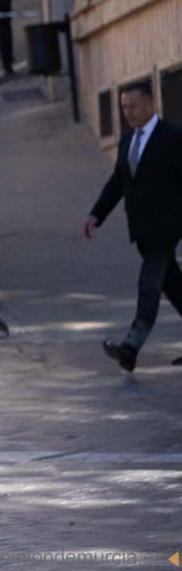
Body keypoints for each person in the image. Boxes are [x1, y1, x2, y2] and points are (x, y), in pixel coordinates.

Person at [85, 83, 182, 372]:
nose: (128, 112)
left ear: (151, 104)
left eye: (133, 106)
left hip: (166, 227)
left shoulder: (172, 138)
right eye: (124, 107)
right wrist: (96, 215)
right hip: (141, 229)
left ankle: (130, 347)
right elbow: (117, 184)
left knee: (148, 284)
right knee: (174, 286)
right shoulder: (127, 141)